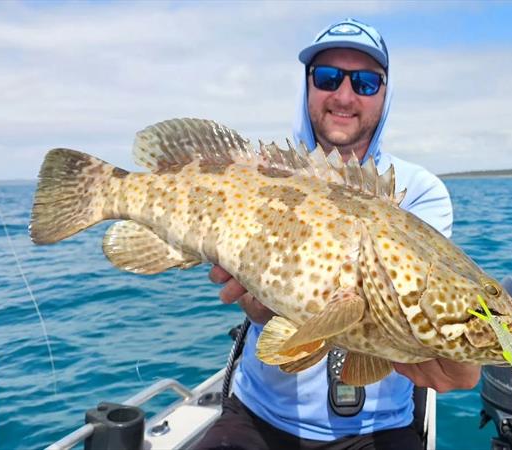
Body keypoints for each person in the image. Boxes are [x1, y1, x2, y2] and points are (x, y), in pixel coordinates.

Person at [196, 18, 480, 450]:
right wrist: (265, 307)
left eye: (366, 82)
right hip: (258, 414)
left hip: (378, 429)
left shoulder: (418, 191)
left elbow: (413, 310)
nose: (344, 96)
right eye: (328, 78)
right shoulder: (263, 174)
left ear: (385, 94)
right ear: (307, 86)